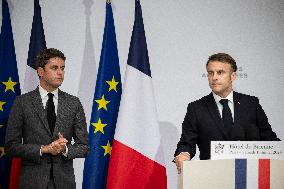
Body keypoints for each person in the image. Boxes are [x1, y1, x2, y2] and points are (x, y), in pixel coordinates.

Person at [174, 53, 280, 173]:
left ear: (233, 76)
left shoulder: (251, 104)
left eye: (220, 72)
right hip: (212, 175)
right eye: (210, 73)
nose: (214, 77)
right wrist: (183, 154)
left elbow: (269, 140)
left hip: (248, 175)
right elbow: (186, 143)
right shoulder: (196, 108)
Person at [5, 48, 89, 188]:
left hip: (64, 184)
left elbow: (84, 147)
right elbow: (10, 147)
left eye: (62, 68)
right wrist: (44, 149)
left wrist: (64, 149)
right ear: (40, 72)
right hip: (32, 183)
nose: (60, 73)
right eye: (54, 68)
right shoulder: (22, 102)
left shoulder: (74, 103)